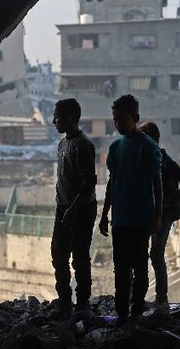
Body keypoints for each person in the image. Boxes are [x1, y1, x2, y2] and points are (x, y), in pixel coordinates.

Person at [99, 95, 162, 325]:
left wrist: (157, 216)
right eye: (115, 120)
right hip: (120, 219)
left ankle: (136, 311)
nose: (118, 124)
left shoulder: (148, 146)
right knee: (121, 268)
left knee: (140, 266)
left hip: (140, 218)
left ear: (135, 117)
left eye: (122, 119)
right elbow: (112, 182)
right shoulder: (115, 147)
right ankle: (121, 313)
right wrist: (105, 214)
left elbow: (157, 184)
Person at [139, 121, 180, 310]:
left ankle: (161, 299)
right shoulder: (149, 159)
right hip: (151, 212)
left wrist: (169, 202)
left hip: (164, 214)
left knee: (155, 254)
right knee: (147, 254)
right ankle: (144, 299)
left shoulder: (164, 161)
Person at [49, 98, 97, 320]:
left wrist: (73, 209)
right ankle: (65, 303)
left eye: (57, 116)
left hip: (81, 210)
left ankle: (82, 305)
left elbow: (88, 185)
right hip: (64, 208)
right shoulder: (63, 144)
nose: (54, 121)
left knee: (79, 257)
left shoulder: (83, 145)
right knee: (59, 255)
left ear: (69, 118)